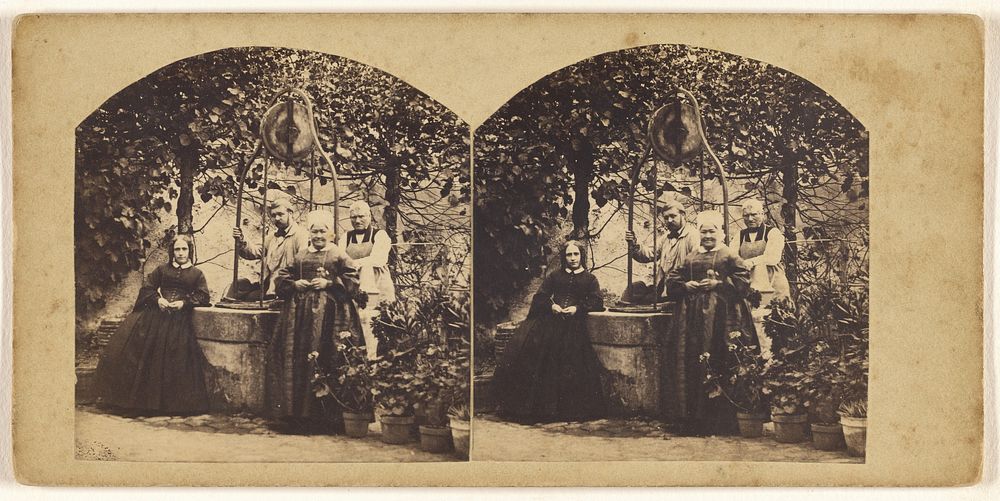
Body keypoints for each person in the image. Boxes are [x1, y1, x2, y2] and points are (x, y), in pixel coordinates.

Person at [267, 210, 365, 433]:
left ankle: (328, 418)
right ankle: (299, 416)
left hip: (332, 315)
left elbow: (353, 281)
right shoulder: (301, 255)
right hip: (300, 316)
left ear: (330, 233)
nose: (318, 235)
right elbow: (282, 276)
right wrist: (295, 284)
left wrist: (330, 284)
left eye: (322, 231)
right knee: (300, 358)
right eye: (314, 231)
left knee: (328, 356)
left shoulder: (339, 255)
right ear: (309, 233)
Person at [663, 211, 760, 436]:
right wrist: (686, 286)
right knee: (695, 359)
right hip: (694, 319)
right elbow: (673, 278)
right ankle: (696, 418)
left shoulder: (729, 255)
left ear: (721, 232)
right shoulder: (692, 255)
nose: (707, 235)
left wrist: (718, 283)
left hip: (725, 318)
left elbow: (744, 283)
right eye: (703, 231)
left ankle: (723, 420)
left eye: (712, 231)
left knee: (722, 358)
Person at [93, 234, 212, 415]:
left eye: (184, 249)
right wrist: (158, 300)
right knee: (144, 355)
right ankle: (141, 402)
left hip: (179, 322)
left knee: (177, 358)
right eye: (177, 249)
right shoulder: (162, 270)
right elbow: (147, 287)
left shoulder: (197, 274)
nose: (180, 253)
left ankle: (169, 405)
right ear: (172, 251)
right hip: (156, 317)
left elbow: (203, 295)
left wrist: (184, 303)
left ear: (190, 250)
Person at [493, 240, 606, 423]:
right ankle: (543, 409)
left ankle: (569, 411)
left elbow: (596, 301)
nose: (572, 258)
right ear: (564, 257)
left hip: (574, 327)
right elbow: (541, 296)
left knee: (573, 363)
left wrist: (577, 308)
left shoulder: (590, 279)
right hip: (551, 324)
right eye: (569, 255)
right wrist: (552, 306)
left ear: (581, 256)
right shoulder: (555, 276)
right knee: (541, 360)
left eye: (576, 254)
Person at [339, 200, 395, 358]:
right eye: (353, 217)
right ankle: (359, 355)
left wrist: (354, 263)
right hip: (355, 284)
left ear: (369, 216)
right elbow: (340, 258)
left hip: (377, 284)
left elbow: (378, 258)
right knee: (356, 319)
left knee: (377, 319)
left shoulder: (380, 235)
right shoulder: (346, 237)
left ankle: (379, 356)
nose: (357, 221)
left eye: (361, 216)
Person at [230, 189, 308, 300]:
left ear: (290, 213)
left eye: (280, 214)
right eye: (273, 215)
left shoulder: (300, 235)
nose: (276, 218)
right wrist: (241, 239)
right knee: (237, 288)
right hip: (267, 285)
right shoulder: (272, 236)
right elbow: (256, 252)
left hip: (286, 288)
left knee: (250, 301)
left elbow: (302, 264)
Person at [623, 196, 699, 303]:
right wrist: (634, 244)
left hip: (681, 291)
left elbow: (698, 265)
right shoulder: (665, 237)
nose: (669, 220)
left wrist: (685, 285)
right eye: (666, 218)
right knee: (635, 289)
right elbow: (649, 254)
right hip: (662, 289)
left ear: (683, 215)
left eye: (673, 216)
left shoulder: (693, 236)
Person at [738, 199, 790, 303]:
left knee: (777, 313)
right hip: (750, 282)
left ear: (762, 214)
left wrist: (751, 262)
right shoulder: (740, 236)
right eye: (746, 215)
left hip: (774, 280)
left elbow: (772, 258)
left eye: (754, 215)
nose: (750, 218)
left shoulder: (773, 233)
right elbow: (732, 256)